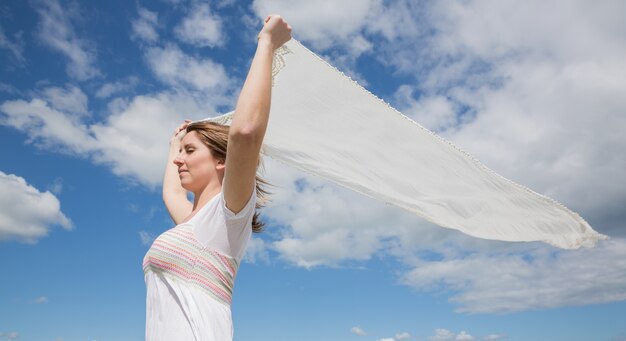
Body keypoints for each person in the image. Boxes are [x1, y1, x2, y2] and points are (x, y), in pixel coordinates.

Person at [142, 15, 292, 341]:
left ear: (222, 161)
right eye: (180, 154)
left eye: (190, 151)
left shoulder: (227, 215)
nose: (180, 160)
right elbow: (171, 193)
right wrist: (175, 143)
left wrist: (267, 43)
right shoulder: (192, 222)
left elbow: (246, 132)